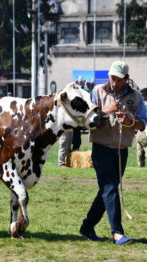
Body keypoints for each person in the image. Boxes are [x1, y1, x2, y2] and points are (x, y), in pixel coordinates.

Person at [79, 60, 147, 245]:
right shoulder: (97, 92)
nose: (113, 82)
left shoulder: (137, 97)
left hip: (122, 150)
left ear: (126, 79)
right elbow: (87, 119)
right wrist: (108, 110)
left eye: (118, 79)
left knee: (107, 190)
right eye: (111, 78)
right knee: (110, 188)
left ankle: (87, 227)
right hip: (100, 148)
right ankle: (117, 233)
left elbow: (143, 123)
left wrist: (130, 122)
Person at [135, 88, 147, 167]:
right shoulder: (144, 104)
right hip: (146, 130)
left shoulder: (139, 104)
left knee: (139, 149)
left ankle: (140, 165)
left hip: (139, 131)